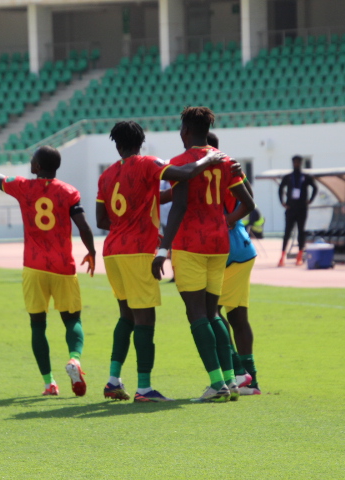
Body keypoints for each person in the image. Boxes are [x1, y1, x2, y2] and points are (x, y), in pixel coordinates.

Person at [97, 120, 229, 402]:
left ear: (117, 145)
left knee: (126, 316)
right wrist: (208, 159)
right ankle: (144, 388)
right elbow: (184, 172)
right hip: (137, 251)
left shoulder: (106, 175)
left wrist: (130, 221)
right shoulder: (148, 163)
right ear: (141, 142)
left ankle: (113, 380)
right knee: (145, 319)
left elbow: (101, 219)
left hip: (112, 250)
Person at [0, 141, 95, 397]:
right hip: (62, 266)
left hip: (33, 266)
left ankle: (49, 383)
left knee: (37, 325)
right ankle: (74, 359)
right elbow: (84, 226)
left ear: (36, 166)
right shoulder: (69, 192)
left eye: (33, 160)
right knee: (72, 320)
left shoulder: (23, 186)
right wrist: (92, 251)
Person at [152, 107, 256, 403]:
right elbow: (248, 203)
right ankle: (231, 381)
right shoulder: (225, 160)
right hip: (219, 244)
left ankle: (217, 383)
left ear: (185, 131)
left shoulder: (180, 162)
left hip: (191, 244)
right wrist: (225, 221)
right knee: (212, 314)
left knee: (196, 314)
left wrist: (163, 249)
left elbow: (180, 206)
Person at [207, 132, 261, 396]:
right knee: (237, 317)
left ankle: (239, 373)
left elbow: (249, 203)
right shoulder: (230, 168)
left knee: (210, 315)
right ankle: (250, 381)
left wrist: (225, 221)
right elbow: (250, 199)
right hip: (242, 248)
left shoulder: (207, 171)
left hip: (224, 251)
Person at [277, 155, 317, 266]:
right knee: (287, 232)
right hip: (290, 208)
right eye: (295, 162)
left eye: (298, 162)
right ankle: (282, 257)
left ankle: (299, 257)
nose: (296, 164)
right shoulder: (288, 177)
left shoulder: (305, 177)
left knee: (301, 232)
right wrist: (282, 202)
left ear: (301, 163)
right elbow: (280, 188)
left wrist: (310, 200)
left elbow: (315, 188)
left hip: (302, 208)